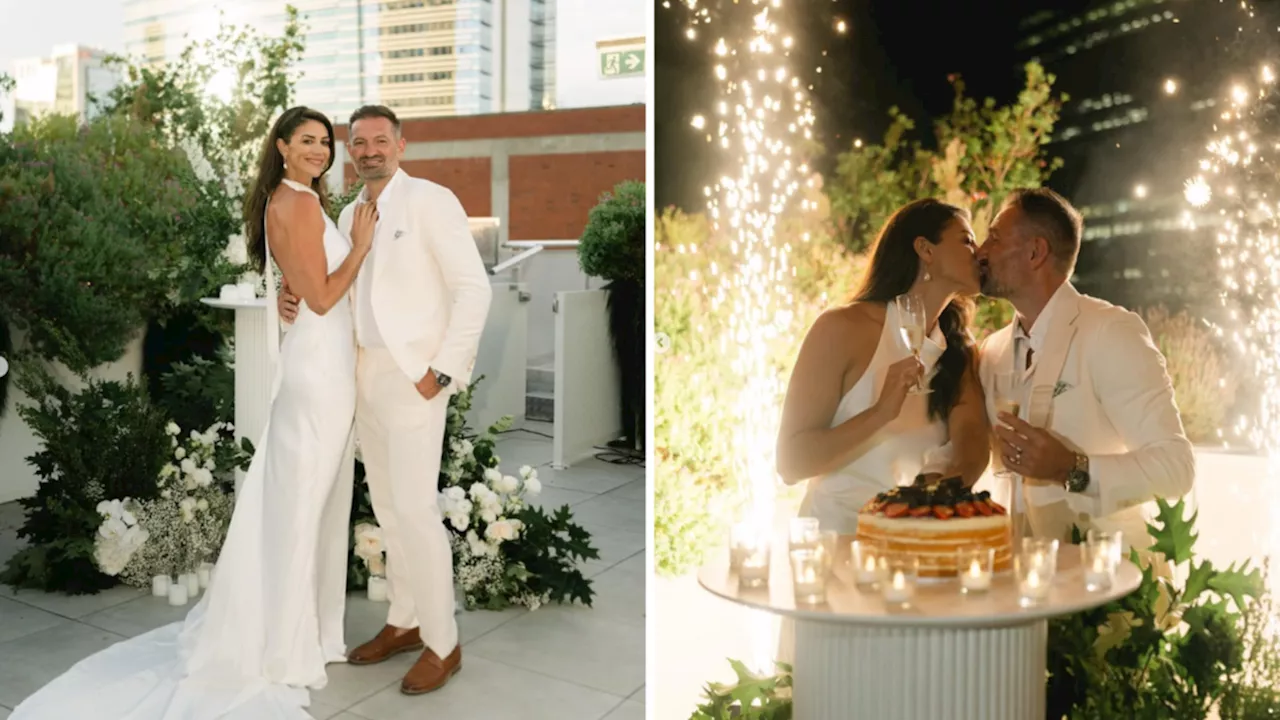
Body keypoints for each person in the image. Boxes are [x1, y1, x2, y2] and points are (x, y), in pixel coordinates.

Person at [10, 106, 377, 719]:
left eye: (325, 141)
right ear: (282, 146)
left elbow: (298, 286)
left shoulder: (290, 202)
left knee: (305, 502)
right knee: (304, 503)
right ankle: (286, 647)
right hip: (320, 371)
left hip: (323, 361)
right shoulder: (300, 204)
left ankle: (304, 632)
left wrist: (309, 282)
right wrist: (360, 246)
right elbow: (320, 295)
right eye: (307, 140)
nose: (320, 150)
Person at [278, 104, 492, 695]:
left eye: (379, 140)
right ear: (351, 152)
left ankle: (443, 643)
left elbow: (473, 290)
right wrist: (286, 295)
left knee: (417, 510)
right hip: (360, 378)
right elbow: (333, 283)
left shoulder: (430, 200)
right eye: (358, 142)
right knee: (391, 510)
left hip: (414, 379)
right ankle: (404, 619)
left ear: (401, 144)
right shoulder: (349, 212)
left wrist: (443, 371)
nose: (368, 150)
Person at [975, 187, 1195, 549]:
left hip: (1106, 583)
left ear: (1035, 252)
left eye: (994, 239)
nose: (981, 252)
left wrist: (1072, 468)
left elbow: (1176, 467)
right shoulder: (991, 351)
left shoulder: (1110, 332)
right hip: (1022, 587)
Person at [776, 198, 990, 535]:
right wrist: (879, 413)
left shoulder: (959, 350)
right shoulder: (840, 329)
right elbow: (791, 463)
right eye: (967, 240)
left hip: (914, 542)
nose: (980, 253)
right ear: (925, 249)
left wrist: (929, 504)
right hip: (835, 542)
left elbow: (973, 445)